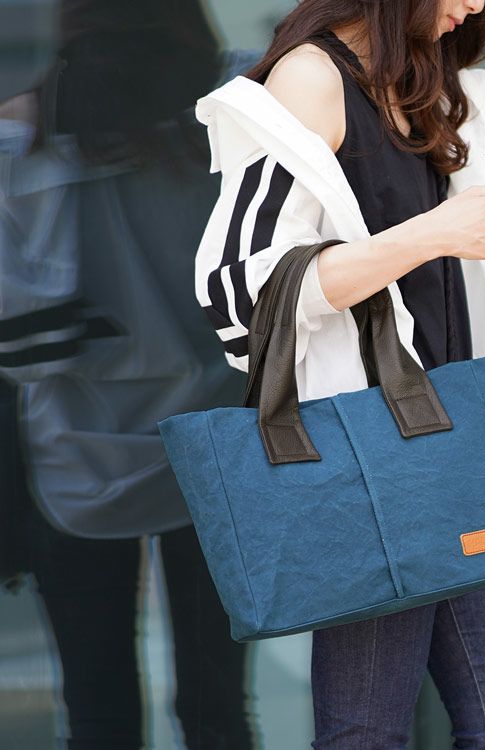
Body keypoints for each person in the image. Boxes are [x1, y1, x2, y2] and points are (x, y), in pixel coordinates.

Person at [195, 0, 485, 746]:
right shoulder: (311, 80)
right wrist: (434, 233)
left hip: (449, 440)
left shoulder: (421, 83)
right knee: (367, 732)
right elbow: (242, 291)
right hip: (369, 453)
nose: (477, 6)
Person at [0, 1, 259, 746]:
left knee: (98, 714)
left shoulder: (22, 142)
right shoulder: (239, 109)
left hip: (78, 455)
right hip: (220, 448)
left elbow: (24, 348)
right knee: (218, 711)